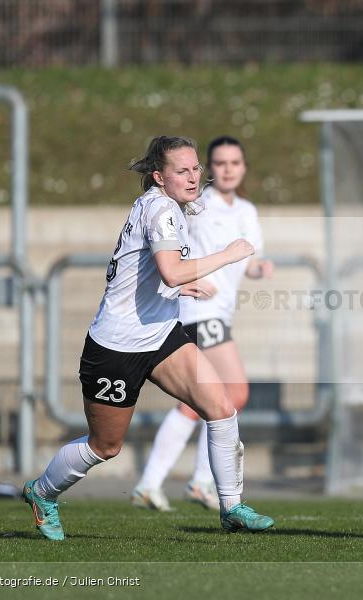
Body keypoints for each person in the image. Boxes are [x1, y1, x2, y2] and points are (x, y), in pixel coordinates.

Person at [22, 136, 274, 540]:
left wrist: (177, 288)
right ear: (159, 176)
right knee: (106, 446)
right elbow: (172, 271)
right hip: (116, 346)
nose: (194, 177)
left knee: (222, 406)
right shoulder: (161, 209)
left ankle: (231, 507)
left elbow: (155, 272)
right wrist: (229, 254)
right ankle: (43, 492)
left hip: (160, 336)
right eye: (182, 171)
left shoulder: (171, 206)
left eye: (196, 168)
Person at [132, 136, 273, 511]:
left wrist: (259, 268)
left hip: (220, 312)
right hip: (198, 311)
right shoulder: (196, 203)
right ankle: (198, 481)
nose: (228, 169)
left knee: (201, 403)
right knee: (233, 394)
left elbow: (248, 260)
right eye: (221, 163)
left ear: (243, 167)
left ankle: (154, 483)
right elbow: (173, 247)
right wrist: (189, 277)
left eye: (235, 163)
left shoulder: (246, 209)